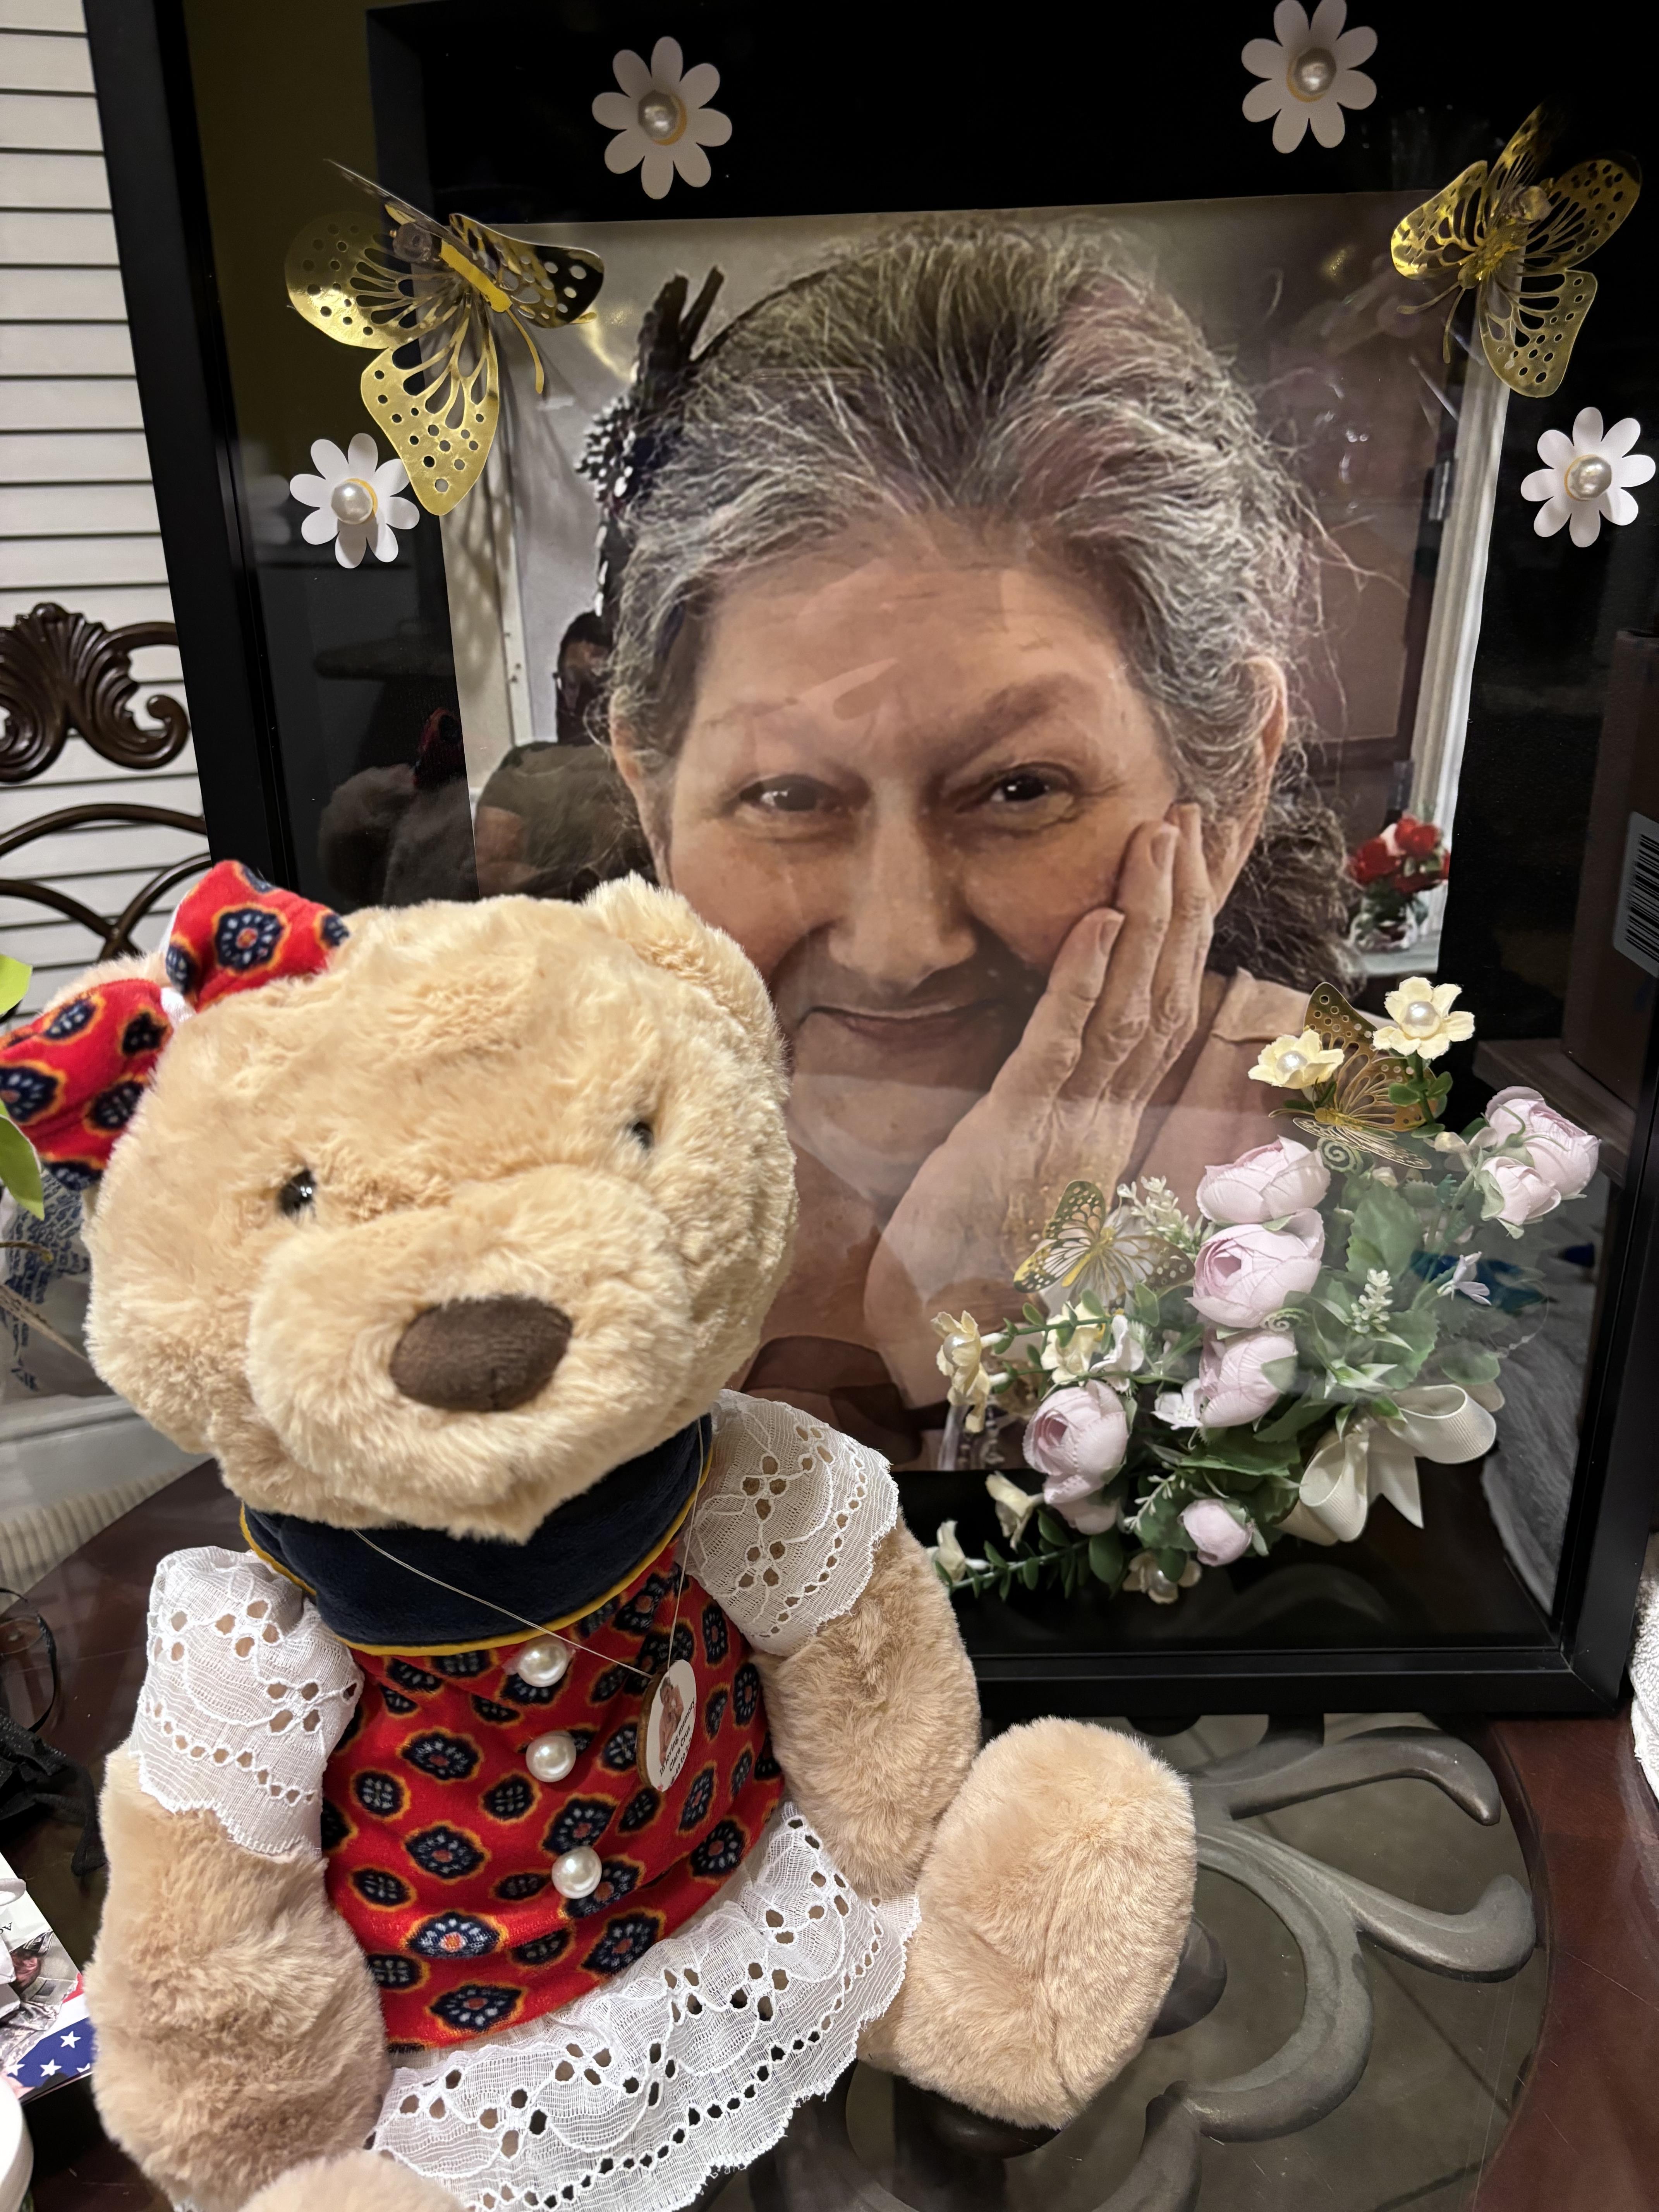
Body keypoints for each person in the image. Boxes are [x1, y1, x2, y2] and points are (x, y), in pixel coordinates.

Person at [589, 221, 1350, 1451]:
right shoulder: (518, 1163)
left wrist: (989, 1320)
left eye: (1018, 790)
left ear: (1236, 779)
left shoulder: (1373, 1136)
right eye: (786, 797)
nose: (899, 943)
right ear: (650, 795)